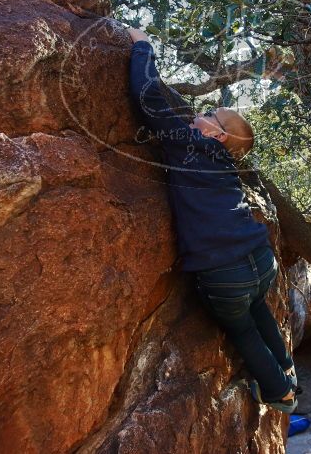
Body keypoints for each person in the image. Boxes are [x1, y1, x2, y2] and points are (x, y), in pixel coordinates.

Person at [127, 28, 298, 413]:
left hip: (227, 271)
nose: (199, 114)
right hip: (258, 260)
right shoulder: (223, 161)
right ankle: (287, 367)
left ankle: (280, 393)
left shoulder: (190, 146)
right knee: (259, 310)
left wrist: (143, 47)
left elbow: (148, 100)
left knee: (243, 328)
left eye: (209, 115)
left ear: (218, 136)